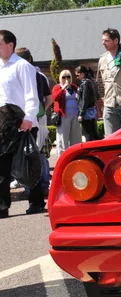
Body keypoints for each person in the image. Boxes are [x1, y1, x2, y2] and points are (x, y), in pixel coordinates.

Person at [0, 30, 44, 218]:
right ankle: (2, 207)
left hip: (23, 122)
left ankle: (36, 201)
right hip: (4, 122)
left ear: (10, 45)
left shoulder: (22, 66)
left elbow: (31, 95)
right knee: (2, 165)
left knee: (27, 161)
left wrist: (28, 118)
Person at [15, 47, 53, 197]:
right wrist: (41, 111)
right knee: (38, 152)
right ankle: (42, 185)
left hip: (24, 119)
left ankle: (30, 189)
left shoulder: (19, 75)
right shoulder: (40, 76)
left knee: (27, 154)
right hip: (38, 118)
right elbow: (49, 98)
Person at [52, 69, 82, 156]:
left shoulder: (74, 87)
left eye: (68, 77)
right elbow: (55, 97)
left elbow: (80, 98)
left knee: (76, 139)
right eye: (63, 77)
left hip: (75, 116)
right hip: (63, 116)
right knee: (63, 140)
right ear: (60, 78)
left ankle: (76, 158)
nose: (66, 79)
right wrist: (63, 88)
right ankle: (62, 158)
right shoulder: (57, 87)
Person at [76, 66, 101, 141]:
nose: (77, 77)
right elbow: (96, 96)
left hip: (87, 111)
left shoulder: (85, 83)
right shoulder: (91, 81)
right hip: (91, 110)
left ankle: (91, 150)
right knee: (93, 132)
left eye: (78, 75)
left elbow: (85, 99)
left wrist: (81, 114)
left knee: (88, 133)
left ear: (82, 74)